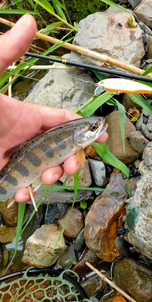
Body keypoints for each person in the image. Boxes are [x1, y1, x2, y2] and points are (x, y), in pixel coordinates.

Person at [0, 14, 108, 203]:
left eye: (92, 128)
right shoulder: (72, 137)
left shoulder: (73, 137)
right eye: (92, 128)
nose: (98, 126)